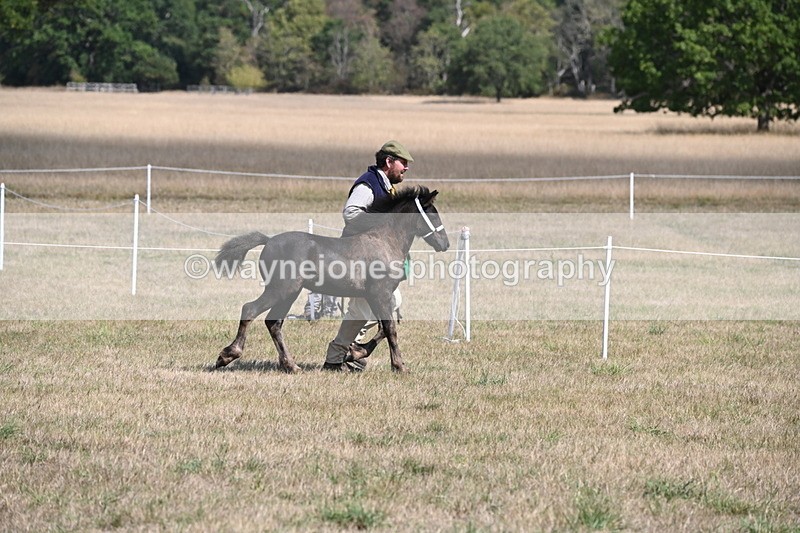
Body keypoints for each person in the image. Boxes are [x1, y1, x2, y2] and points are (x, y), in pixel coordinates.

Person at [322, 140, 414, 372]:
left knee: (391, 303)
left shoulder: (385, 187)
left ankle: (346, 353)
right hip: (356, 259)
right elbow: (351, 213)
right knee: (363, 310)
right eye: (403, 163)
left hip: (373, 262)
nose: (406, 168)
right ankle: (342, 354)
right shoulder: (368, 184)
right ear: (388, 162)